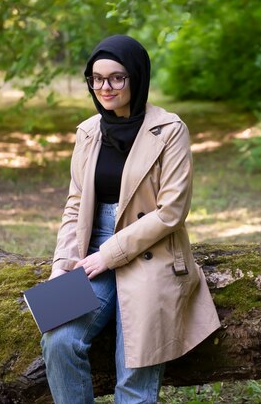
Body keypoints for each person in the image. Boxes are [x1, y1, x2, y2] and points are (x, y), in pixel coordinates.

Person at [41, 35, 221, 404]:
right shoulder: (88, 131)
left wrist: (111, 253)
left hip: (150, 252)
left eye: (117, 78)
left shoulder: (170, 130)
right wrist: (62, 264)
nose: (105, 87)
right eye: (97, 78)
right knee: (57, 339)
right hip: (91, 250)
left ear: (136, 77)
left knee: (134, 377)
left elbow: (171, 212)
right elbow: (75, 204)